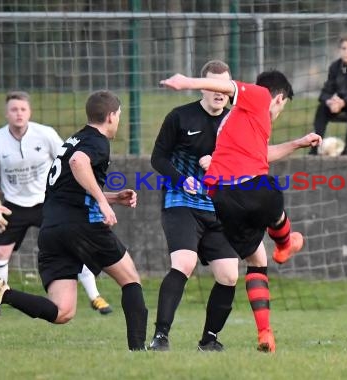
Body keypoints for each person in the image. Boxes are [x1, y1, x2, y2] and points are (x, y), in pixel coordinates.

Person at [0, 90, 148, 352]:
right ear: (110, 116)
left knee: (63, 311)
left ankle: (3, 294)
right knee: (131, 280)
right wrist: (100, 201)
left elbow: (68, 187)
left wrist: (111, 197)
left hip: (53, 229)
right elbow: (79, 163)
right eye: (118, 115)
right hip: (81, 226)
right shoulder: (96, 142)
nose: (118, 121)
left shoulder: (73, 140)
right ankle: (138, 351)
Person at [160, 70, 322, 353]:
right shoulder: (260, 96)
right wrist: (187, 83)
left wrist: (297, 143)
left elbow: (261, 154)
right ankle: (285, 243)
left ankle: (265, 334)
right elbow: (225, 85)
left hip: (222, 201)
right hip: (248, 189)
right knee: (272, 196)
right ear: (279, 98)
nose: (280, 111)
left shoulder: (235, 122)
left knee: (257, 259)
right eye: (282, 106)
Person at [0, 91, 113, 317]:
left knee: (78, 245)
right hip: (14, 206)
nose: (18, 114)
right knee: (1, 252)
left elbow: (68, 160)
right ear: (6, 113)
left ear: (29, 112)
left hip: (48, 203)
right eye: (14, 109)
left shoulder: (45, 134)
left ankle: (95, 296)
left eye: (23, 109)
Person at [149, 60, 240, 352]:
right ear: (202, 86)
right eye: (212, 85)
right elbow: (158, 159)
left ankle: (209, 339)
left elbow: (243, 164)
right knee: (184, 263)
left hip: (217, 206)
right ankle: (160, 336)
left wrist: (219, 166)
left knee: (229, 275)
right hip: (181, 201)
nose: (218, 92)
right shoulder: (180, 117)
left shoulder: (234, 122)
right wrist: (181, 179)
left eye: (223, 86)